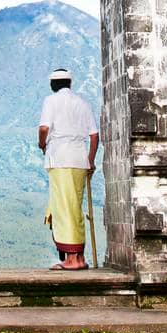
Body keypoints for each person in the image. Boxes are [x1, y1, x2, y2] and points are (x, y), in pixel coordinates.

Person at [38, 67, 99, 270]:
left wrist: (42, 143)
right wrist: (90, 159)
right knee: (75, 207)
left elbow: (44, 128)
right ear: (69, 83)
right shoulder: (82, 103)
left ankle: (72, 259)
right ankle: (79, 257)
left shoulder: (51, 101)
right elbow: (93, 135)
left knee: (64, 208)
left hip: (60, 158)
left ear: (53, 85)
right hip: (79, 158)